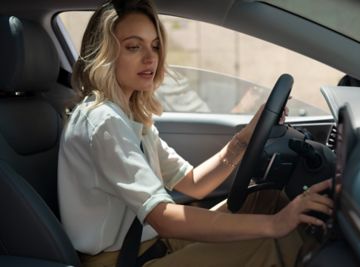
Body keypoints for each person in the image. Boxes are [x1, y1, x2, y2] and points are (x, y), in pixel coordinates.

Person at [58, 0, 334, 266]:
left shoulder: (129, 118)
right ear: (105, 54)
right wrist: (275, 225)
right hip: (123, 259)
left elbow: (192, 183)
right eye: (133, 47)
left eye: (155, 46)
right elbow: (163, 217)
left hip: (153, 244)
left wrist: (242, 141)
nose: (150, 57)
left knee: (267, 199)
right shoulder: (103, 122)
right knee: (276, 240)